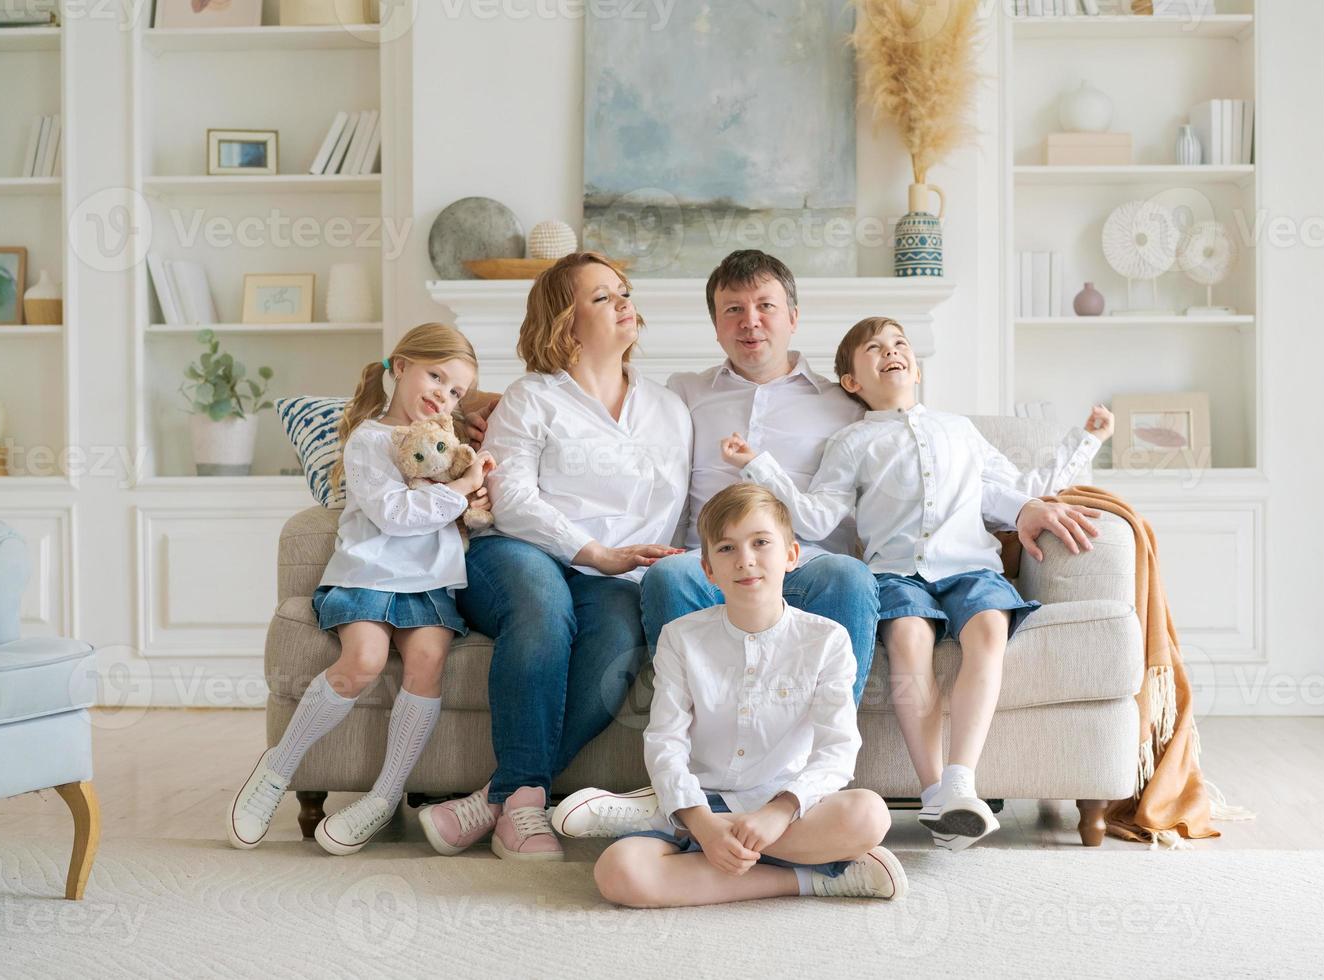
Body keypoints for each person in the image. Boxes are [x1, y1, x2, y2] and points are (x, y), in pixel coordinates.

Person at [722, 316, 1113, 850]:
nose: (891, 351)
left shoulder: (959, 431)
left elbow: (1018, 491)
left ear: (917, 367)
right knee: (908, 640)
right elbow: (814, 519)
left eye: (900, 343)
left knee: (988, 633)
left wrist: (1085, 441)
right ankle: (934, 795)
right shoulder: (851, 442)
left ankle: (959, 782)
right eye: (874, 348)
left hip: (971, 567)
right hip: (895, 573)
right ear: (852, 382)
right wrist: (759, 466)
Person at [417, 252, 692, 862]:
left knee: (619, 637)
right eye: (602, 297)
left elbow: (673, 505)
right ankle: (521, 811)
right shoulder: (531, 398)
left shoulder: (670, 410)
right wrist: (596, 551)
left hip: (618, 572)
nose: (624, 302)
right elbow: (511, 501)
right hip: (518, 552)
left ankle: (504, 800)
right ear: (565, 324)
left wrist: (632, 563)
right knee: (544, 608)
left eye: (623, 291)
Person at [552, 483, 906, 907]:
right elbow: (665, 740)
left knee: (869, 816)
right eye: (726, 549)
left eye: (761, 543)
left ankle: (678, 827)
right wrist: (702, 821)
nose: (745, 560)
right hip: (702, 800)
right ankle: (818, 877)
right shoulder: (681, 638)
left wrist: (778, 813)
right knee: (618, 872)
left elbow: (838, 750)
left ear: (791, 555)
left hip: (789, 810)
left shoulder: (826, 640)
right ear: (708, 571)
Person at [227, 323, 491, 854]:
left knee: (427, 664)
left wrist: (475, 486)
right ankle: (276, 771)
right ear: (399, 366)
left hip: (431, 583)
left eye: (456, 390)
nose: (443, 394)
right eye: (434, 376)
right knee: (364, 660)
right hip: (369, 572)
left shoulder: (447, 447)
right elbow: (394, 515)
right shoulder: (370, 441)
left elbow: (459, 511)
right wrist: (460, 492)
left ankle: (383, 796)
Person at [639, 250, 881, 702]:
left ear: (792, 316)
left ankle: (823, 757)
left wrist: (1023, 503)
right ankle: (695, 750)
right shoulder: (683, 393)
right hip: (709, 565)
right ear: (716, 326)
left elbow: (919, 448)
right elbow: (609, 408)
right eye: (733, 309)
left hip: (807, 564)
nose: (750, 321)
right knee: (668, 577)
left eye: (765, 306)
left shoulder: (848, 405)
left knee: (850, 578)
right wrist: (481, 404)